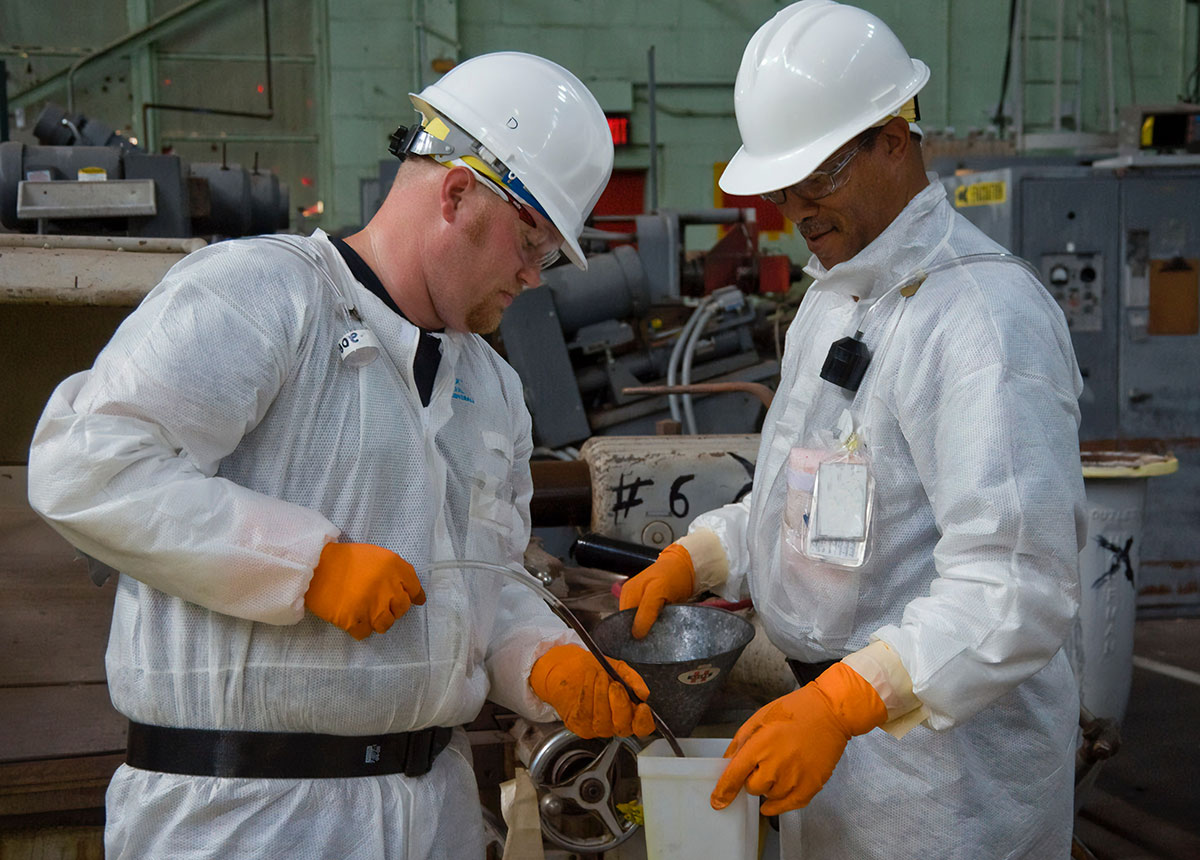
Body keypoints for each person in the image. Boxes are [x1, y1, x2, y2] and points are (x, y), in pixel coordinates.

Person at [28, 51, 654, 859]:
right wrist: (307, 566)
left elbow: (483, 590)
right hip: (244, 819)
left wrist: (546, 661)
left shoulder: (492, 388)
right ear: (458, 192)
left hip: (434, 813)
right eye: (529, 243)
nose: (534, 277)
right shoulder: (263, 295)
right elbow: (87, 464)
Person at [619, 2, 1088, 857]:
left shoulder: (982, 317)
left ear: (896, 139)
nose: (798, 206)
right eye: (783, 187)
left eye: (821, 176)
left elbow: (1016, 587)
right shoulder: (836, 296)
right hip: (840, 745)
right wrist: (713, 553)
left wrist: (840, 703)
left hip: (944, 782)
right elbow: (820, 491)